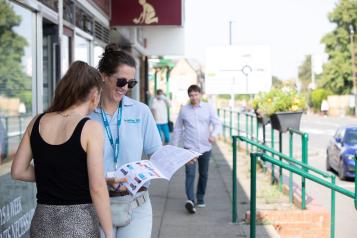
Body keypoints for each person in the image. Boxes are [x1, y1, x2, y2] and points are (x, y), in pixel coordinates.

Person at [11, 61, 115, 238]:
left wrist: (53, 174)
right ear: (94, 95)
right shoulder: (91, 128)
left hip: (42, 223)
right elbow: (97, 187)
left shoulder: (37, 122)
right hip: (79, 224)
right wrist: (109, 232)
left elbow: (18, 171)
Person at [91, 43, 162, 238]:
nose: (125, 88)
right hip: (95, 203)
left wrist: (173, 158)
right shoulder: (85, 114)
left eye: (131, 84)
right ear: (104, 76)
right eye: (121, 81)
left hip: (135, 203)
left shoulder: (141, 111)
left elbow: (155, 152)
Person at [172, 85, 221, 214]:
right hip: (189, 148)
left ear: (200, 94)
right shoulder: (184, 110)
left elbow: (217, 123)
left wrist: (214, 134)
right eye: (191, 95)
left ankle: (200, 197)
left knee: (203, 174)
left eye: (196, 94)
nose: (194, 97)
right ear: (189, 96)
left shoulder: (208, 108)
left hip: (205, 147)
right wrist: (175, 147)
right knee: (190, 174)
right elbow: (178, 128)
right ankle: (191, 201)